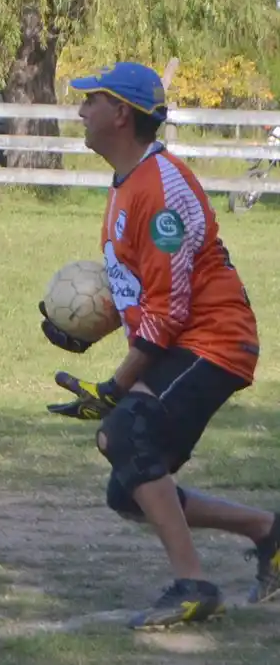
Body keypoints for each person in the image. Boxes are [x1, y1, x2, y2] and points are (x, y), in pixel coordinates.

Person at [40, 62, 280, 629]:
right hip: (186, 341)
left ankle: (193, 585)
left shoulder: (161, 189)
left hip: (215, 342)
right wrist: (85, 332)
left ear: (121, 114)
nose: (80, 111)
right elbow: (147, 291)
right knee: (130, 488)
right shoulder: (130, 180)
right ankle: (269, 531)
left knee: (127, 434)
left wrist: (114, 387)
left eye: (90, 100)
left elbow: (170, 311)